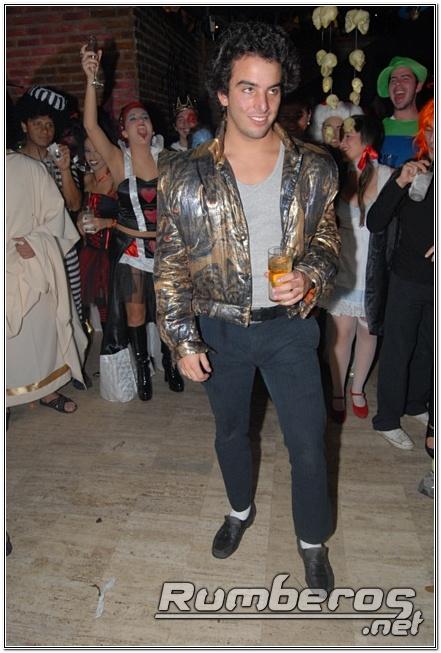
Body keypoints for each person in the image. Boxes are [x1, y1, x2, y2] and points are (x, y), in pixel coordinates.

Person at [155, 22, 341, 593]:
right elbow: (170, 264)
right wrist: (183, 340)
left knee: (308, 445)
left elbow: (328, 243)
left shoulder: (315, 167)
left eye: (272, 89)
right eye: (247, 88)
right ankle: (239, 510)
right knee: (231, 433)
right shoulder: (184, 175)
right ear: (222, 92)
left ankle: (312, 541)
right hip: (220, 331)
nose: (261, 104)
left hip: (290, 329)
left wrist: (309, 275)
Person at [81, 43, 184, 402]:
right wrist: (91, 79)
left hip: (166, 250)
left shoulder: (168, 159)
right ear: (124, 131)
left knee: (167, 311)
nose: (141, 123)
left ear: (152, 126)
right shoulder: (117, 159)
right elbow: (90, 124)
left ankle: (170, 361)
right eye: (133, 119)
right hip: (131, 250)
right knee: (136, 312)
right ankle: (142, 367)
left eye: (145, 118)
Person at [366, 99, 434, 451]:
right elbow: (374, 221)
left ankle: (415, 403)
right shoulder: (414, 172)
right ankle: (387, 419)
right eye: (431, 129)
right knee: (397, 348)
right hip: (406, 277)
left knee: (429, 348)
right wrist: (399, 183)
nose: (435, 137)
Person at [322, 115, 393, 422]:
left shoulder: (387, 175)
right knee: (340, 335)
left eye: (349, 135)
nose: (343, 140)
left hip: (373, 273)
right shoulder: (335, 173)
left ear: (367, 140)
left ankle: (358, 388)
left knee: (367, 333)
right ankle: (338, 391)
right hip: (343, 270)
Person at [6, 151, 86, 415]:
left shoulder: (28, 168)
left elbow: (56, 217)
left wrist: (37, 244)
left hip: (28, 264)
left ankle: (46, 389)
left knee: (38, 334)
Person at [14, 86, 84, 328]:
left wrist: (64, 169)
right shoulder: (13, 162)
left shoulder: (61, 160)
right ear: (24, 126)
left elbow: (74, 205)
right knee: (35, 317)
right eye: (38, 124)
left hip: (60, 247)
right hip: (25, 251)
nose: (45, 130)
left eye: (50, 125)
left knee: (71, 312)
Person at [77, 134, 119, 332]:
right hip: (91, 252)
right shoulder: (86, 179)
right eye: (87, 151)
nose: (92, 156)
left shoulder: (117, 179)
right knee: (100, 309)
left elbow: (134, 221)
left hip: (115, 254)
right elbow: (81, 209)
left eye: (97, 150)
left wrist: (106, 223)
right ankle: (108, 348)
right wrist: (79, 220)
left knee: (118, 311)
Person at [376, 56, 428, 167]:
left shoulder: (430, 129)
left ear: (418, 86)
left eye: (405, 79)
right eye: (393, 80)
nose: (398, 84)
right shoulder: (376, 131)